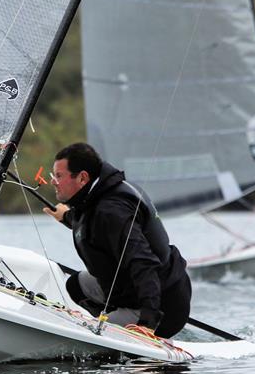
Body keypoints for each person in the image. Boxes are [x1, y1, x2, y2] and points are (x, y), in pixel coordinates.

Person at [43, 143, 191, 339]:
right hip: (130, 288)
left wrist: (147, 321)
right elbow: (93, 222)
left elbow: (144, 263)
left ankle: (117, 326)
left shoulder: (113, 211)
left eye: (59, 176)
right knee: (76, 285)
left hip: (161, 303)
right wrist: (67, 217)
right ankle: (112, 317)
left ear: (82, 178)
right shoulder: (100, 193)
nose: (53, 181)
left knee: (90, 332)